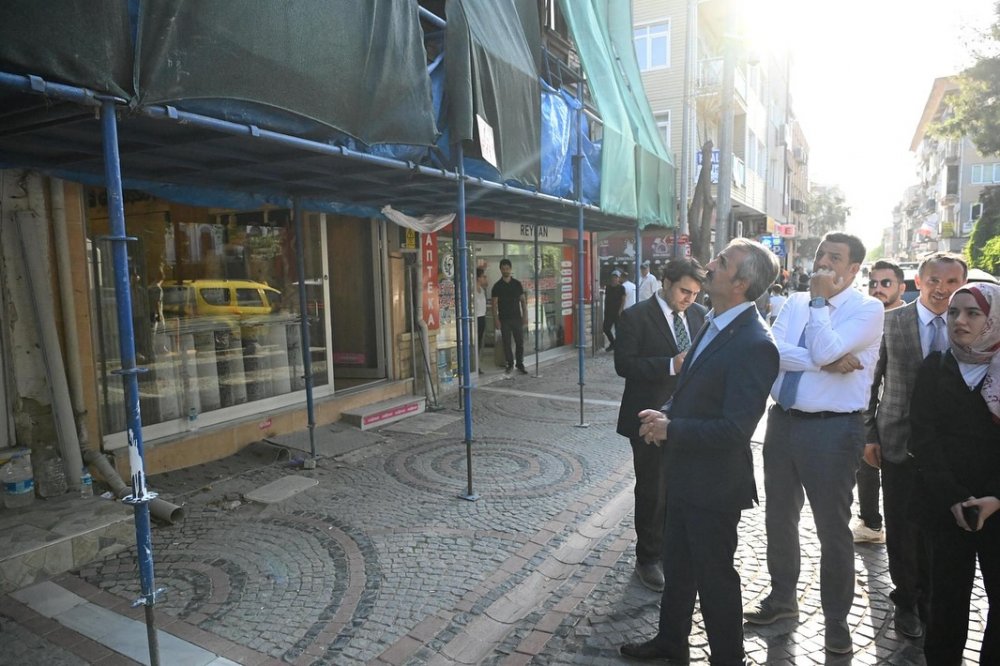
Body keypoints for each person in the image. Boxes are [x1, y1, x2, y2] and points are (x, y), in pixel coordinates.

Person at [620, 239, 780, 666]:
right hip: (684, 473)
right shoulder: (712, 321)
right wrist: (666, 413)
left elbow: (735, 429)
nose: (710, 265)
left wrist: (672, 428)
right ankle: (671, 641)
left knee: (714, 578)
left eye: (722, 262)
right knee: (678, 567)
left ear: (741, 283)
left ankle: (728, 657)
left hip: (714, 485)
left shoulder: (755, 342)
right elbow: (689, 387)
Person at [744, 232, 884, 655]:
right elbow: (772, 351)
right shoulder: (795, 302)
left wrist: (821, 308)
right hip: (783, 422)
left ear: (854, 268)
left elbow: (824, 349)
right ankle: (781, 599)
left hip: (833, 430)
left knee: (831, 528)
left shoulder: (868, 308)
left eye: (834, 257)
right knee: (779, 518)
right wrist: (824, 362)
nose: (823, 262)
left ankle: (836, 621)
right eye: (822, 254)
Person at [863, 252, 968, 639]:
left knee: (941, 526)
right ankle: (906, 598)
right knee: (902, 525)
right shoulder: (890, 322)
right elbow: (871, 383)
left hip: (950, 447)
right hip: (897, 440)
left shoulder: (971, 323)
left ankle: (934, 599)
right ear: (918, 283)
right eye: (934, 281)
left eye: (952, 282)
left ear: (963, 284)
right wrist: (869, 434)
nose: (942, 289)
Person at [910, 282, 1000, 665]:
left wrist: (994, 497)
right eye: (953, 312)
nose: (960, 320)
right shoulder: (935, 367)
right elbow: (923, 437)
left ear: (992, 319)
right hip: (945, 506)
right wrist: (954, 498)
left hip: (997, 505)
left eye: (973, 313)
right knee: (945, 602)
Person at [614, 258, 707, 592]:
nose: (689, 299)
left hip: (686, 418)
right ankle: (648, 557)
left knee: (680, 487)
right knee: (652, 489)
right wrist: (670, 364)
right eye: (684, 291)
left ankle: (671, 549)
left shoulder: (700, 315)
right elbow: (624, 365)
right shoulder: (636, 316)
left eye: (695, 293)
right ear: (666, 282)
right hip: (647, 417)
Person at [853, 258, 908, 546]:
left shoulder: (910, 321)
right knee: (865, 470)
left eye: (886, 283)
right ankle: (871, 522)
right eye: (873, 283)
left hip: (899, 417)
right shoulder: (864, 319)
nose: (878, 288)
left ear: (901, 287)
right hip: (863, 409)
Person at [491, 258, 527, 376]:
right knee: (506, 343)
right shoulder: (497, 286)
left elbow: (523, 301)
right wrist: (496, 320)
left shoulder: (517, 284)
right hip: (504, 319)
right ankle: (510, 364)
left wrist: (525, 316)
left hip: (517, 318)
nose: (506, 271)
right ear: (500, 270)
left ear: (510, 269)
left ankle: (520, 363)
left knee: (519, 342)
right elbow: (494, 305)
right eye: (503, 269)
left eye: (507, 268)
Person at [603, 269, 626, 351]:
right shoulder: (608, 287)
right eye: (613, 277)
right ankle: (613, 343)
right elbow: (606, 299)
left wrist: (620, 310)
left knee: (618, 330)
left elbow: (623, 299)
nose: (614, 279)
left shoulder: (621, 288)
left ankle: (619, 346)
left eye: (616, 277)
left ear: (619, 278)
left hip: (617, 312)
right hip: (608, 312)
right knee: (605, 328)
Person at [475, 267, 489, 375]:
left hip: (482, 317)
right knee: (475, 343)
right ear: (478, 278)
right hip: (475, 319)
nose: (485, 279)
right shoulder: (473, 291)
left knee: (480, 343)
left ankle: (477, 365)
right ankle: (474, 366)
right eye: (483, 276)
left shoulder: (482, 290)